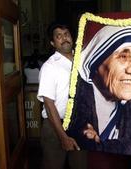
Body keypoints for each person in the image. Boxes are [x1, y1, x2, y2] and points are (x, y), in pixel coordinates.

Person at [66, 24, 131, 157]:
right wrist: (127, 147)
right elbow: (81, 145)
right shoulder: (77, 97)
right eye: (123, 57)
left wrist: (104, 145)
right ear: (97, 62)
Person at [37, 21, 85, 169]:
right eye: (59, 36)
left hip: (79, 124)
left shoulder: (82, 60)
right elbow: (49, 103)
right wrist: (62, 136)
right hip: (55, 126)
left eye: (66, 34)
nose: (64, 38)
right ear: (52, 43)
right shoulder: (49, 67)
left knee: (81, 165)